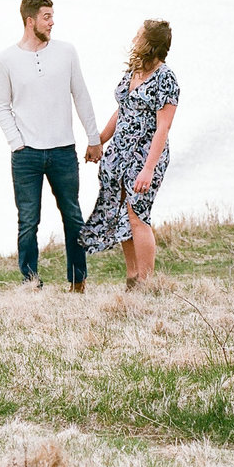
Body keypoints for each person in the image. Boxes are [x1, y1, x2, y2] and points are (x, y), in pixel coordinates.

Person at [0, 0, 101, 291]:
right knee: (28, 221)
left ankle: (78, 281)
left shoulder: (66, 52)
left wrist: (93, 139)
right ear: (30, 21)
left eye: (52, 16)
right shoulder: (5, 60)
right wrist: (17, 143)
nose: (52, 22)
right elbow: (2, 106)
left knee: (73, 216)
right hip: (26, 154)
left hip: (63, 150)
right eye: (46, 17)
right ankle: (31, 282)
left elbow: (81, 95)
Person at [79, 18, 179, 288]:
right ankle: (132, 278)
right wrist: (99, 139)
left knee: (137, 214)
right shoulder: (135, 70)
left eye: (139, 35)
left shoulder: (166, 77)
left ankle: (146, 284)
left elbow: (163, 127)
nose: (134, 38)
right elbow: (122, 109)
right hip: (119, 153)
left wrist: (148, 169)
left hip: (145, 155)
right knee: (121, 215)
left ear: (151, 43)